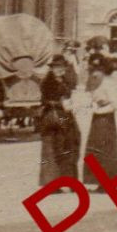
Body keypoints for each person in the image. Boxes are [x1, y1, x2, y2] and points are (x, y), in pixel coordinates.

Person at [38, 54, 80, 187]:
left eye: (62, 67)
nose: (60, 69)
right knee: (51, 148)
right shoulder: (47, 83)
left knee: (70, 144)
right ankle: (52, 182)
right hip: (52, 117)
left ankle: (69, 180)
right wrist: (58, 103)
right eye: (56, 67)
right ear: (52, 69)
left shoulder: (66, 80)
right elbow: (44, 100)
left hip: (66, 115)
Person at [83, 55, 117, 191]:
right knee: (95, 150)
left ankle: (107, 183)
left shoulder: (109, 82)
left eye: (99, 69)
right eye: (93, 68)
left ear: (104, 69)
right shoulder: (95, 82)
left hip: (106, 120)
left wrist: (100, 109)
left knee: (106, 151)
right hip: (96, 120)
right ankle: (98, 181)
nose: (95, 72)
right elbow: (89, 98)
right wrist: (92, 105)